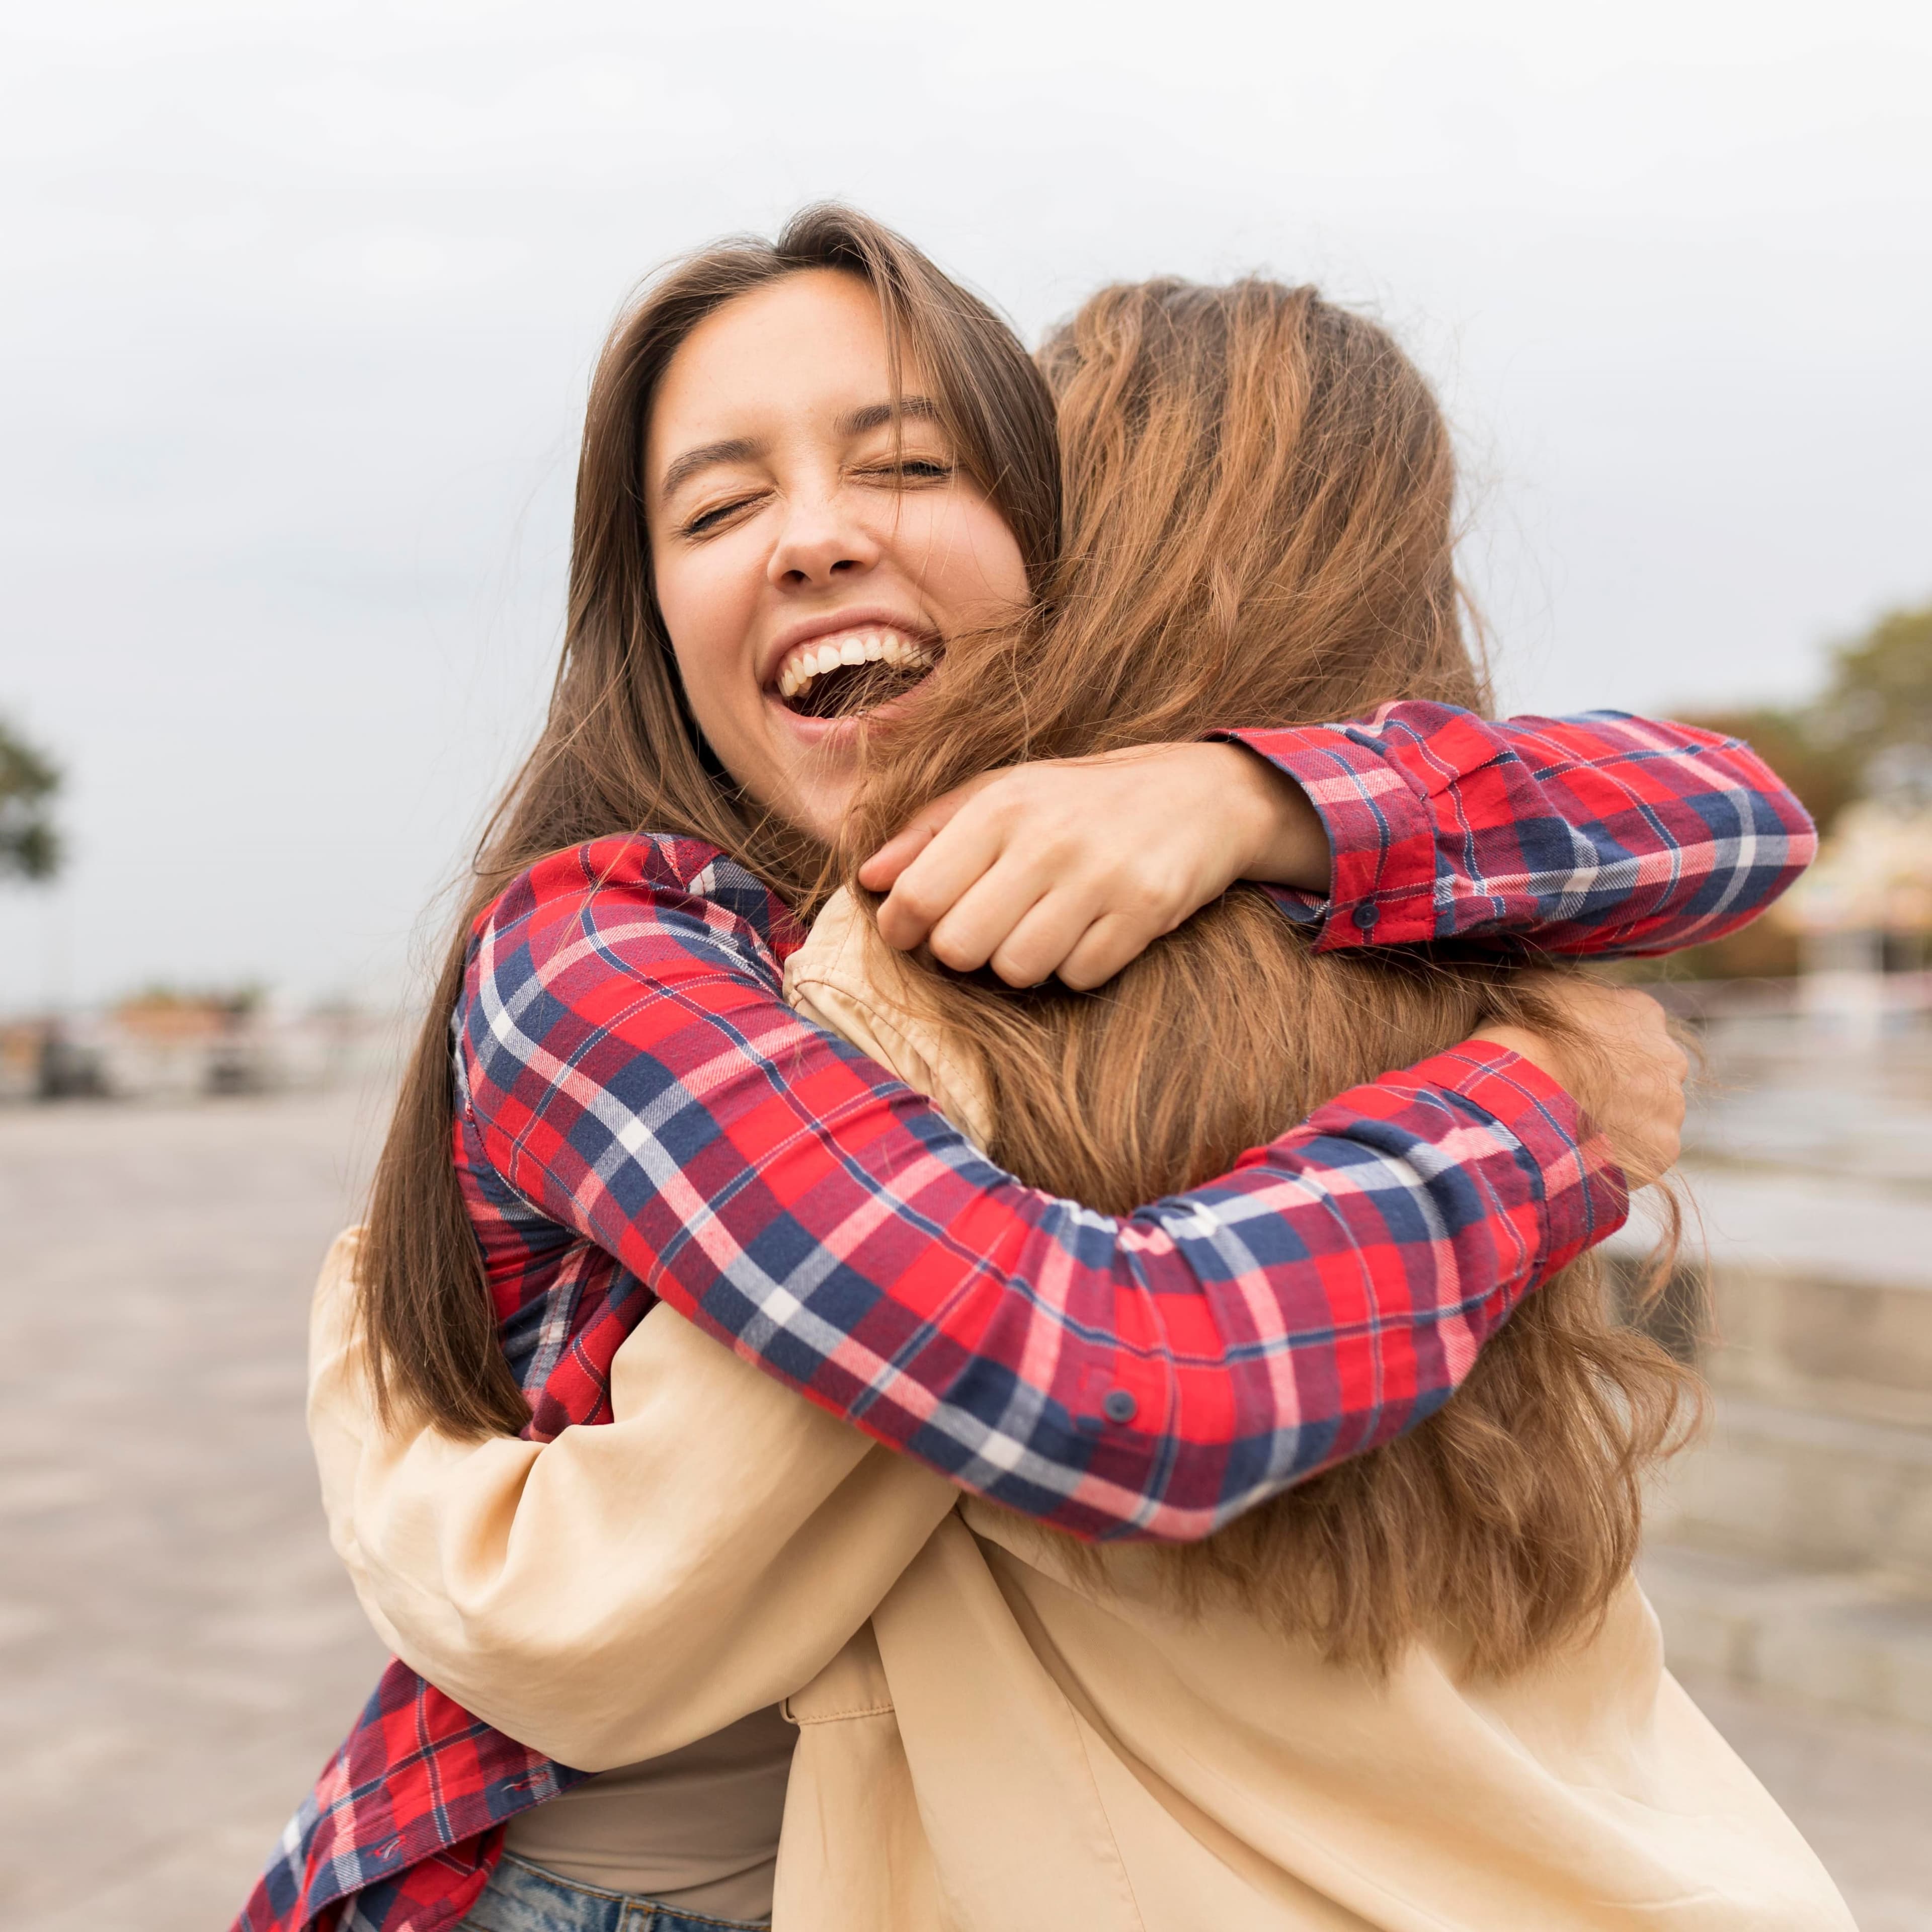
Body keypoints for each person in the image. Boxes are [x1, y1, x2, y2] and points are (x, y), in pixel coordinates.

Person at [240, 210, 1813, 1932]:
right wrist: (1544, 1114)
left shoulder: (1127, 914)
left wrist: (1246, 797)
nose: (817, 539)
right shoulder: (613, 949)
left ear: (1057, 545)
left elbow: (1740, 812)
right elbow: (1115, 1383)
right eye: (715, 506)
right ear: (652, 619)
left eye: (907, 466)